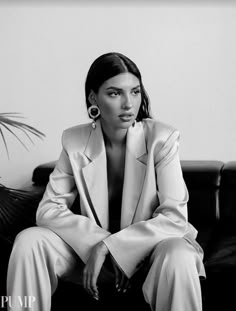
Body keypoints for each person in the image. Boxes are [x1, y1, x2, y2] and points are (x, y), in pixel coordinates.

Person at [7, 52, 206, 311]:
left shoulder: (162, 139)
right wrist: (98, 245)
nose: (128, 104)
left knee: (178, 255)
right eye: (115, 93)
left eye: (135, 92)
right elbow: (48, 210)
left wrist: (114, 248)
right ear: (93, 98)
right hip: (88, 255)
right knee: (29, 241)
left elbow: (174, 217)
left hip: (150, 252)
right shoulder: (74, 141)